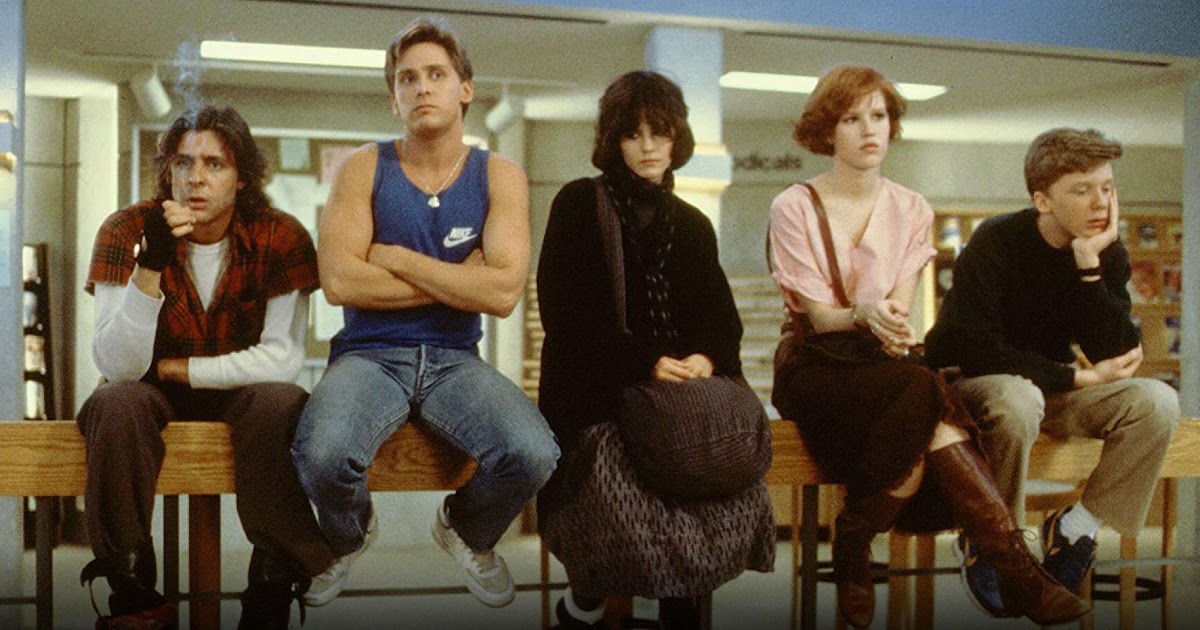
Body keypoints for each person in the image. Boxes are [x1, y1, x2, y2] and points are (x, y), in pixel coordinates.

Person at [768, 66, 1090, 628]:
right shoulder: (793, 205)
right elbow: (819, 319)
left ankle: (862, 542)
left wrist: (886, 323)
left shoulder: (912, 208)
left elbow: (897, 310)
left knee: (920, 416)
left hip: (884, 367)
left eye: (878, 116)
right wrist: (862, 314)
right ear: (827, 131)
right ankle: (1011, 567)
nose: (870, 129)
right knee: (926, 396)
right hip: (816, 365)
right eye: (851, 119)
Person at [291, 17, 559, 610]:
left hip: (455, 359)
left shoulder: (499, 175)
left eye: (436, 74)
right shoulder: (363, 168)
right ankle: (349, 535)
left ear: (465, 88)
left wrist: (394, 258)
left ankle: (465, 529)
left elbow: (503, 295)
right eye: (407, 79)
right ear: (394, 98)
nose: (422, 88)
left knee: (534, 453)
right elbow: (339, 283)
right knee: (323, 455)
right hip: (369, 356)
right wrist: (460, 279)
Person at [537, 70, 775, 630]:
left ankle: (669, 607)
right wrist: (644, 362)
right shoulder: (579, 203)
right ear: (613, 140)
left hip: (675, 405)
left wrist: (706, 358)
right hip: (599, 396)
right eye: (633, 133)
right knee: (620, 505)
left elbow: (720, 319)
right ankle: (588, 599)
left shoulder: (692, 224)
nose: (648, 146)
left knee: (704, 486)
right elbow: (565, 316)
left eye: (660, 132)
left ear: (677, 139)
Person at [78, 105, 331, 629]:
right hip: (147, 394)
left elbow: (282, 360)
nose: (196, 178)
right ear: (167, 171)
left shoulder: (280, 235)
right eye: (183, 162)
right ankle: (130, 583)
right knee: (115, 402)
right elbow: (119, 366)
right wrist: (151, 263)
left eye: (215, 164)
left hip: (244, 394)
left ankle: (271, 582)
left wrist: (176, 369)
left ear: (242, 177)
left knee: (282, 401)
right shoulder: (127, 229)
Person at [925, 127, 1180, 613]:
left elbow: (1117, 352)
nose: (1100, 202)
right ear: (1042, 200)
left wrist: (1090, 267)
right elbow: (976, 347)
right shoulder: (997, 239)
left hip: (1049, 391)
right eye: (1081, 190)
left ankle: (1076, 528)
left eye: (1106, 187)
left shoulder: (1105, 251)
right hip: (975, 385)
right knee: (1018, 396)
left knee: (1157, 401)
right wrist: (1080, 378)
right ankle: (993, 540)